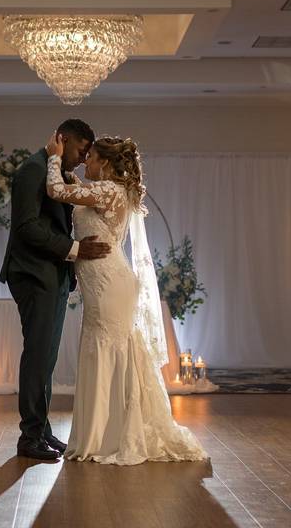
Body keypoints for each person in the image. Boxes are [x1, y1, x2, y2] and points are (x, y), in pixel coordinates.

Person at [45, 132, 208, 465]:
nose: (86, 160)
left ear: (104, 162)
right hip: (104, 281)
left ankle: (109, 435)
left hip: (108, 282)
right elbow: (77, 196)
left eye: (90, 157)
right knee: (102, 351)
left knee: (106, 351)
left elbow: (56, 191)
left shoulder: (107, 190)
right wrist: (72, 174)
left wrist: (54, 157)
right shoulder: (110, 190)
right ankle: (103, 432)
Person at [0, 118, 110, 461]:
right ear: (62, 140)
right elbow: (27, 227)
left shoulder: (57, 173)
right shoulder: (32, 170)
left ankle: (42, 431)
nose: (82, 157)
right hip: (34, 275)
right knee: (37, 355)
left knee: (45, 357)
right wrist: (75, 249)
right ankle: (29, 438)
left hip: (54, 277)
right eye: (80, 149)